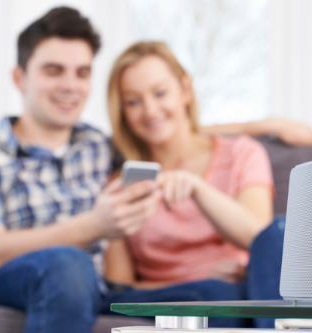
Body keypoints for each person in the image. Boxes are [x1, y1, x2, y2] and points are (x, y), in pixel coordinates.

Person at [0, 6, 312, 333]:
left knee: (221, 292)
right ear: (19, 77)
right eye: (53, 71)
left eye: (82, 72)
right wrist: (93, 225)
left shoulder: (97, 147)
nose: (69, 85)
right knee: (70, 264)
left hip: (94, 288)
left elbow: (168, 133)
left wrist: (264, 125)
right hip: (18, 277)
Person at [103, 41, 285, 328]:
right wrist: (198, 280)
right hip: (183, 294)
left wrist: (198, 189)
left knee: (278, 234)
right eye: (133, 101)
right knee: (216, 295)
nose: (150, 110)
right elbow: (120, 288)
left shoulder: (242, 153)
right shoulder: (120, 184)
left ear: (184, 90)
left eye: (160, 93)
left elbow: (259, 238)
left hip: (247, 289)